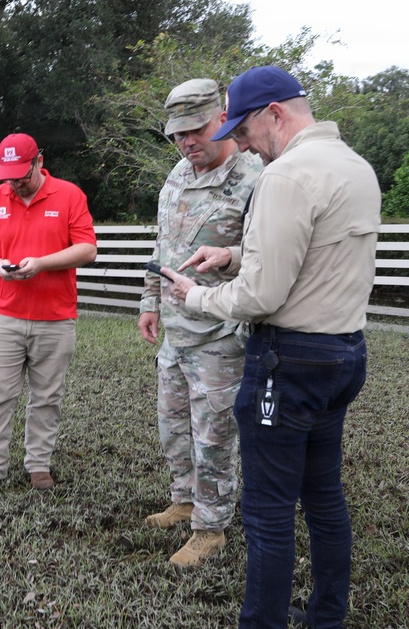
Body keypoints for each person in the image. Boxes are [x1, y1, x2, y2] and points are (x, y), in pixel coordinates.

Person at [163, 66, 381, 629]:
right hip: (343, 352)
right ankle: (327, 625)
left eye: (245, 129)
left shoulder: (285, 175)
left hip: (288, 362)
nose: (246, 143)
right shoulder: (354, 167)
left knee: (267, 512)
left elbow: (261, 295)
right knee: (324, 498)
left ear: (275, 114)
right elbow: (312, 253)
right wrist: (233, 253)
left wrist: (196, 297)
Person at [139, 79, 262, 568]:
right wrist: (150, 301)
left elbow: (267, 256)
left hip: (221, 333)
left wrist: (228, 260)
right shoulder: (177, 174)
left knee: (213, 436)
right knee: (173, 426)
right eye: (178, 134)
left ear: (222, 118)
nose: (187, 142)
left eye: (196, 130)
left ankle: (210, 528)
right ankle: (184, 500)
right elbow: (163, 244)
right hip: (175, 331)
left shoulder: (255, 177)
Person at [0, 133, 98, 498]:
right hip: (4, 315)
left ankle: (39, 465)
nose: (15, 183)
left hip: (55, 317)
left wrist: (41, 264)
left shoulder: (69, 195)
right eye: (8, 177)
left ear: (39, 161)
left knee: (47, 397)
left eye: (22, 175)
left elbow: (87, 250)